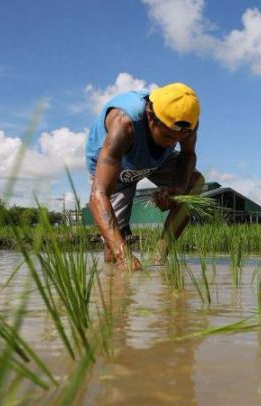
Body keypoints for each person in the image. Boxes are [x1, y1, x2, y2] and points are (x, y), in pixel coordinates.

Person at [86, 82, 204, 271]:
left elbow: (187, 154)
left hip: (156, 159)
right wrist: (123, 256)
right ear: (150, 117)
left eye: (178, 139)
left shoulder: (188, 123)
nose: (172, 143)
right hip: (119, 161)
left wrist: (178, 190)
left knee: (195, 183)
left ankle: (159, 259)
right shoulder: (124, 124)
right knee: (113, 249)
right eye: (167, 136)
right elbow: (98, 196)